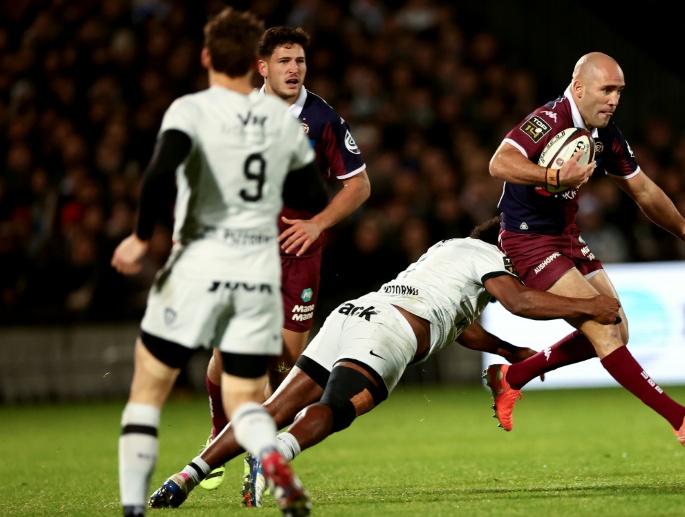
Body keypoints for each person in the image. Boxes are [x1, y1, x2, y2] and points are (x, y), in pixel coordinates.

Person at [146, 216, 621, 509]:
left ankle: (183, 476)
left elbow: (455, 322)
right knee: (337, 410)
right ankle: (276, 455)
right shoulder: (490, 257)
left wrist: (505, 351)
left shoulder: (447, 253)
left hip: (351, 314)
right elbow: (518, 300)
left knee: (273, 406)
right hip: (386, 333)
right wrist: (587, 308)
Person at [111, 9, 325, 517]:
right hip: (254, 271)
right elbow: (310, 192)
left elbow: (158, 176)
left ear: (207, 57)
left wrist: (142, 239)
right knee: (249, 391)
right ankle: (270, 455)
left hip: (199, 265)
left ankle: (132, 507)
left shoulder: (190, 110)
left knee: (148, 387)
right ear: (256, 66)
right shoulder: (280, 120)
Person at [486, 52, 685, 448]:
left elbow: (644, 190)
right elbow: (500, 163)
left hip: (566, 235)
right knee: (603, 327)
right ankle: (681, 419)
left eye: (619, 91)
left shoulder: (607, 136)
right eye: (607, 89)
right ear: (579, 87)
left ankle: (511, 377)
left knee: (619, 330)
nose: (614, 99)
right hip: (527, 239)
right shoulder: (550, 120)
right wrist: (553, 175)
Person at [198, 25, 371, 491]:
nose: (294, 69)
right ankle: (221, 433)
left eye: (299, 61)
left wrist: (317, 223)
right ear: (263, 68)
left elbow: (359, 185)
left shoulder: (321, 118)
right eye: (284, 62)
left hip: (300, 252)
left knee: (290, 367)